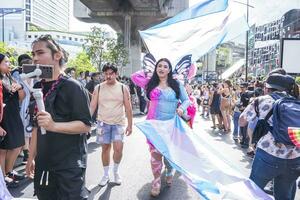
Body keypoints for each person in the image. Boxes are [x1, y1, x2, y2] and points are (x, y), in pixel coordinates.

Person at [25, 35, 92, 200]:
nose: (35, 58)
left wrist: (54, 125)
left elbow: (85, 126)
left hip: (69, 164)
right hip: (44, 163)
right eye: (33, 54)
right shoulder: (37, 86)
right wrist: (31, 157)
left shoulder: (73, 87)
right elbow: (36, 126)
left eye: (40, 53)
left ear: (57, 55)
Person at [132, 58, 190, 197]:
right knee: (155, 154)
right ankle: (156, 181)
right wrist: (148, 70)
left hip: (170, 126)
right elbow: (134, 77)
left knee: (169, 154)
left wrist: (181, 109)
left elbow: (186, 100)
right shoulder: (150, 83)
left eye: (165, 66)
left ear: (169, 70)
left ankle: (169, 170)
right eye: (159, 66)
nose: (162, 68)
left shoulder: (176, 84)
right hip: (154, 125)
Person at [239, 72, 300, 200]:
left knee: (254, 191)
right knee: (285, 196)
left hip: (268, 155)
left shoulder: (262, 100)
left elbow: (242, 121)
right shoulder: (297, 102)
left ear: (268, 88)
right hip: (294, 158)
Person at [90, 63, 133, 187]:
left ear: (116, 74)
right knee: (105, 149)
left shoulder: (122, 88)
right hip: (103, 123)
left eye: (111, 74)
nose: (108, 76)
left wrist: (130, 125)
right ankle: (105, 174)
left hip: (119, 123)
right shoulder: (98, 87)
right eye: (106, 74)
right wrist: (87, 122)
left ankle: (116, 171)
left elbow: (128, 108)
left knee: (119, 149)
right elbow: (93, 105)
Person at [0, 54, 26, 188]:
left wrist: (20, 88)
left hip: (14, 115)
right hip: (3, 117)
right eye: (6, 62)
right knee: (3, 149)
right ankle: (4, 176)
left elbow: (21, 97)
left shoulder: (9, 78)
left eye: (9, 62)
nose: (9, 64)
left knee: (18, 144)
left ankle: (8, 171)